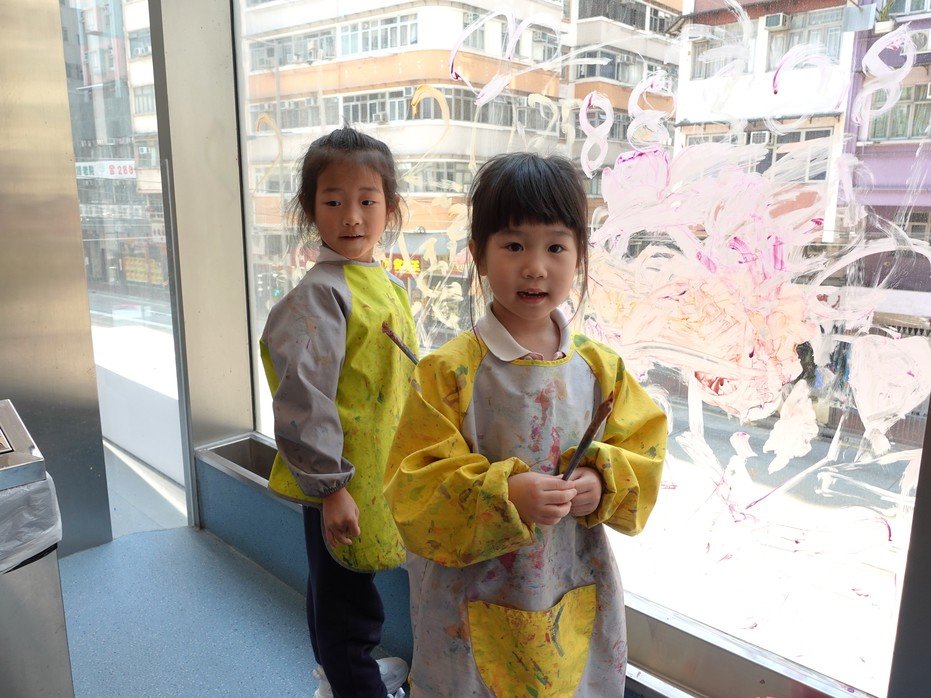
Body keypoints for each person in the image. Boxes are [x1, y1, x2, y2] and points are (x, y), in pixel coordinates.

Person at [384, 152, 668, 696]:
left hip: (571, 576)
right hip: (469, 594)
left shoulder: (600, 370)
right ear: (478, 254)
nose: (536, 267)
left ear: (580, 256)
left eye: (556, 247)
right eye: (514, 246)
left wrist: (603, 479)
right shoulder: (448, 373)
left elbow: (644, 452)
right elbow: (412, 487)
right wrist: (505, 494)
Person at [261, 126, 415, 698]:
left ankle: (340, 675)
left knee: (340, 584)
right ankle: (354, 683)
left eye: (367, 201)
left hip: (371, 473)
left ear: (390, 207)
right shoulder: (320, 295)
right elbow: (304, 397)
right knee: (348, 605)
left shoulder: (382, 282)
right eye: (333, 202)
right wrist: (331, 488)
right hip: (340, 477)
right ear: (310, 209)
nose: (352, 217)